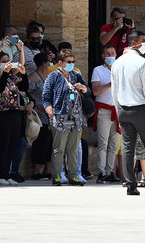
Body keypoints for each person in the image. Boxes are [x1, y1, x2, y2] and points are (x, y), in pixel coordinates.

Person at [110, 30, 145, 196]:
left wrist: (118, 110)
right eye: (143, 40)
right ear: (134, 43)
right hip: (141, 109)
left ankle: (131, 185)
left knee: (128, 149)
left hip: (124, 109)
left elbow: (114, 91)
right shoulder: (142, 63)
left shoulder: (117, 63)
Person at [42, 48, 88, 186]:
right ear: (61, 63)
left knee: (73, 149)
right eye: (69, 62)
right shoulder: (53, 76)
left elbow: (88, 91)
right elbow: (46, 95)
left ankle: (73, 176)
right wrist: (50, 111)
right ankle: (56, 175)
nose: (71, 64)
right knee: (59, 148)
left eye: (73, 61)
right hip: (60, 116)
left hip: (76, 117)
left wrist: (83, 88)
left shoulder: (75, 75)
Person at [0, 46, 26, 186]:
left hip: (15, 113)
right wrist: (5, 73)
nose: (7, 63)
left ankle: (7, 174)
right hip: (1, 114)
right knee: (2, 144)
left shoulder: (12, 77)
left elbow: (24, 87)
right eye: (4, 61)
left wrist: (23, 74)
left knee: (11, 144)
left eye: (8, 61)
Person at [91, 44, 119, 183]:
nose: (110, 56)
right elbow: (95, 91)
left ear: (116, 55)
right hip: (104, 110)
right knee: (103, 143)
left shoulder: (120, 69)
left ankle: (110, 172)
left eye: (112, 53)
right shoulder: (98, 70)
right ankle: (101, 172)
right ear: (103, 56)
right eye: (107, 53)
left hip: (118, 111)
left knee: (114, 144)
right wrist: (110, 84)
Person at [27, 50, 53, 180]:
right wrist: (33, 107)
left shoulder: (49, 76)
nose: (50, 63)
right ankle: (36, 170)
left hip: (50, 115)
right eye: (49, 61)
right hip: (39, 115)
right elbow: (26, 93)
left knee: (50, 142)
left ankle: (47, 170)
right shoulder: (33, 77)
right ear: (44, 63)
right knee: (40, 142)